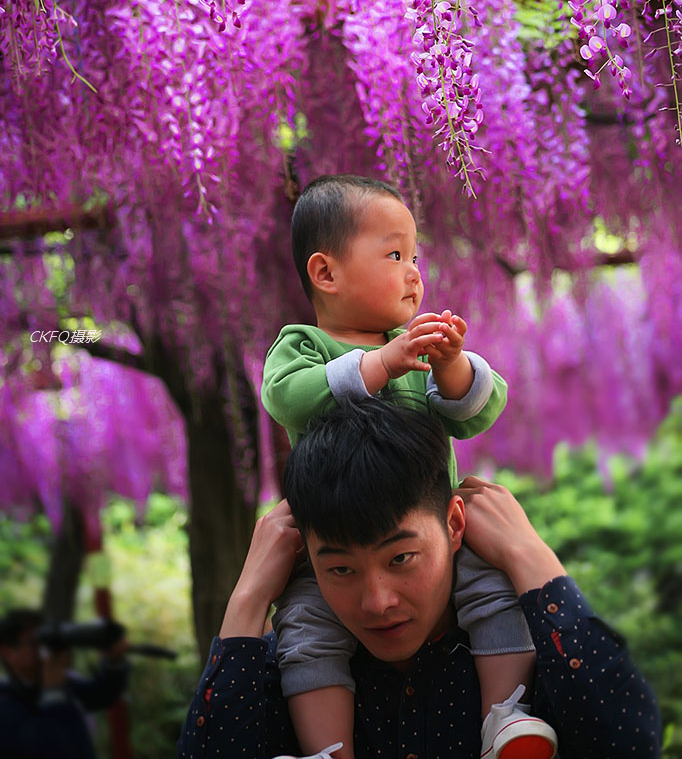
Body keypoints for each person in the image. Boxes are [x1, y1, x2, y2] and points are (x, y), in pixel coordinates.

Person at [176, 398, 661, 758]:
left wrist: (527, 554)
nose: (377, 601)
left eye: (401, 558)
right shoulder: (290, 678)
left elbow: (626, 740)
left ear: (453, 524)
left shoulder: (530, 651)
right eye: (341, 568)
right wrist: (249, 596)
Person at [260, 174, 553, 759]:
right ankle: (328, 750)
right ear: (326, 274)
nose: (414, 272)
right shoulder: (303, 344)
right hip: (339, 542)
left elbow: (475, 414)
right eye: (395, 254)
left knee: (494, 592)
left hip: (431, 542)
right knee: (305, 632)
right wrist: (384, 362)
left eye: (415, 256)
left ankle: (505, 717)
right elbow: (286, 397)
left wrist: (449, 368)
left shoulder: (412, 346)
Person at [0, 607, 129, 759]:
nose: (46, 649)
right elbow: (54, 749)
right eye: (36, 642)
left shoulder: (63, 684)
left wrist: (114, 661)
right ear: (7, 653)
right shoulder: (5, 702)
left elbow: (103, 695)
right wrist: (54, 692)